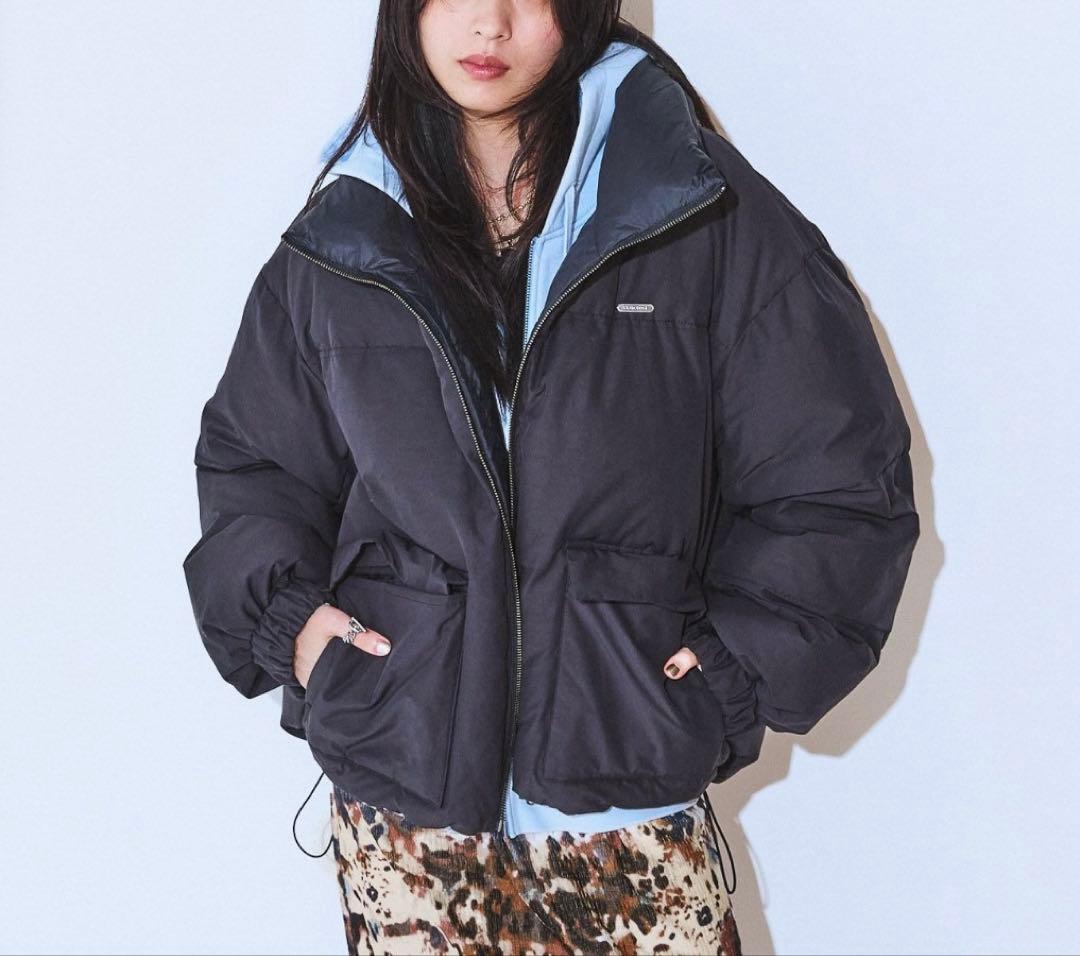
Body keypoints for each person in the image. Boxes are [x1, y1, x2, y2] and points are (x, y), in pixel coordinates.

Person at [181, 3, 920, 954]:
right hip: (404, 831)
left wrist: (734, 673)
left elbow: (838, 479)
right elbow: (258, 465)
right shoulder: (352, 221)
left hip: (627, 826)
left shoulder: (698, 211)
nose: (487, 23)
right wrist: (293, 629)